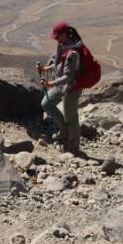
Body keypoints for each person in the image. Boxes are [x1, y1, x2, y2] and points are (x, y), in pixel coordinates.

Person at [37, 21, 85, 154]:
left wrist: (51, 84)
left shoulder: (73, 53)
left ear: (65, 34)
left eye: (57, 36)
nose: (56, 39)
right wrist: (45, 68)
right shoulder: (63, 46)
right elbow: (59, 64)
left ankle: (73, 146)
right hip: (60, 85)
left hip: (71, 88)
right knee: (46, 104)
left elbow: (68, 77)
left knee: (71, 118)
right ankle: (64, 130)